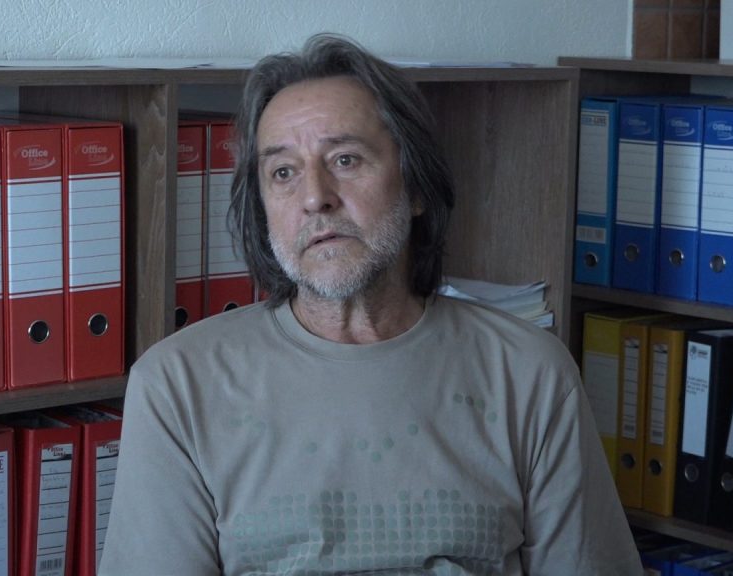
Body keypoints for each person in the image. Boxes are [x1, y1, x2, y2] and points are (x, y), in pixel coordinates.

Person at [100, 33, 642, 575]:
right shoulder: (177, 387)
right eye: (283, 172)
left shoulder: (530, 374)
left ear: (416, 187)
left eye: (346, 159)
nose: (316, 196)